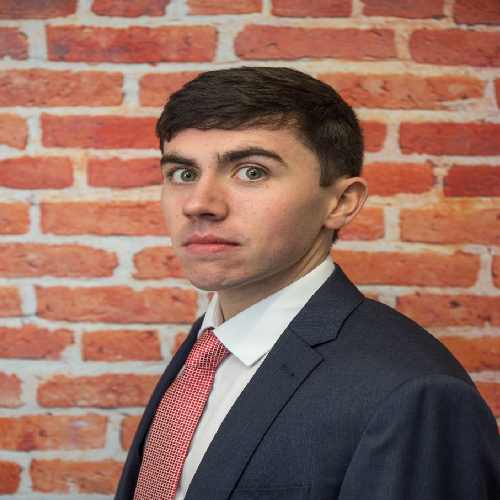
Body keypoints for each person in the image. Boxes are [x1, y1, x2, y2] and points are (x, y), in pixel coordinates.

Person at [115, 67, 499, 500]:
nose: (199, 204)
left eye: (252, 172)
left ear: (340, 203)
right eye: (183, 174)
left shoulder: (414, 395)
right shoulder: (212, 345)